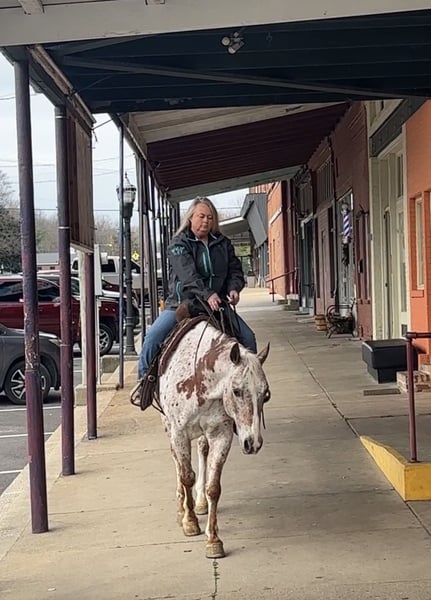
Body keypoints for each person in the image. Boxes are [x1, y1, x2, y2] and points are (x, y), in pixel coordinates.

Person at [138, 196, 257, 380]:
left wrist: (234, 288)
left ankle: (250, 381)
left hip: (217, 306)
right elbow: (188, 274)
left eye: (210, 217)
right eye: (201, 216)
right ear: (190, 217)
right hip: (182, 304)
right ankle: (144, 380)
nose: (206, 221)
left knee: (248, 338)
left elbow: (235, 270)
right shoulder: (178, 244)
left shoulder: (223, 243)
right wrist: (207, 294)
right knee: (152, 338)